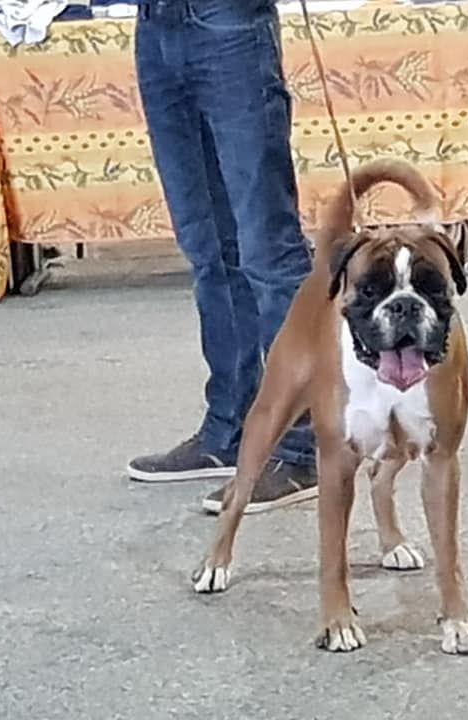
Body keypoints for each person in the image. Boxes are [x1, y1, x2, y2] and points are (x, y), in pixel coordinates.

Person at [127, 0, 318, 514]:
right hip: (155, 25)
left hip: (227, 21)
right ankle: (229, 428)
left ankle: (302, 447)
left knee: (267, 248)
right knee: (207, 246)